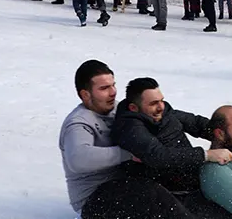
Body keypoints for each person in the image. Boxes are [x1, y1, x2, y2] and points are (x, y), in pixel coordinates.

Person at [59, 60, 194, 219]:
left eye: (113, 85)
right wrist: (126, 154)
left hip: (131, 183)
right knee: (151, 193)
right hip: (95, 199)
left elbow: (166, 117)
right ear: (85, 94)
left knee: (180, 189)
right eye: (104, 88)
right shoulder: (78, 123)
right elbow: (78, 159)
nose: (113, 92)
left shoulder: (120, 109)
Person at [110, 77, 232, 218]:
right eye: (153, 103)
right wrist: (206, 155)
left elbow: (196, 123)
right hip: (170, 195)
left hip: (195, 181)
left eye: (161, 100)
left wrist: (226, 134)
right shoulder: (130, 128)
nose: (160, 107)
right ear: (134, 108)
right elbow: (159, 156)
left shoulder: (164, 112)